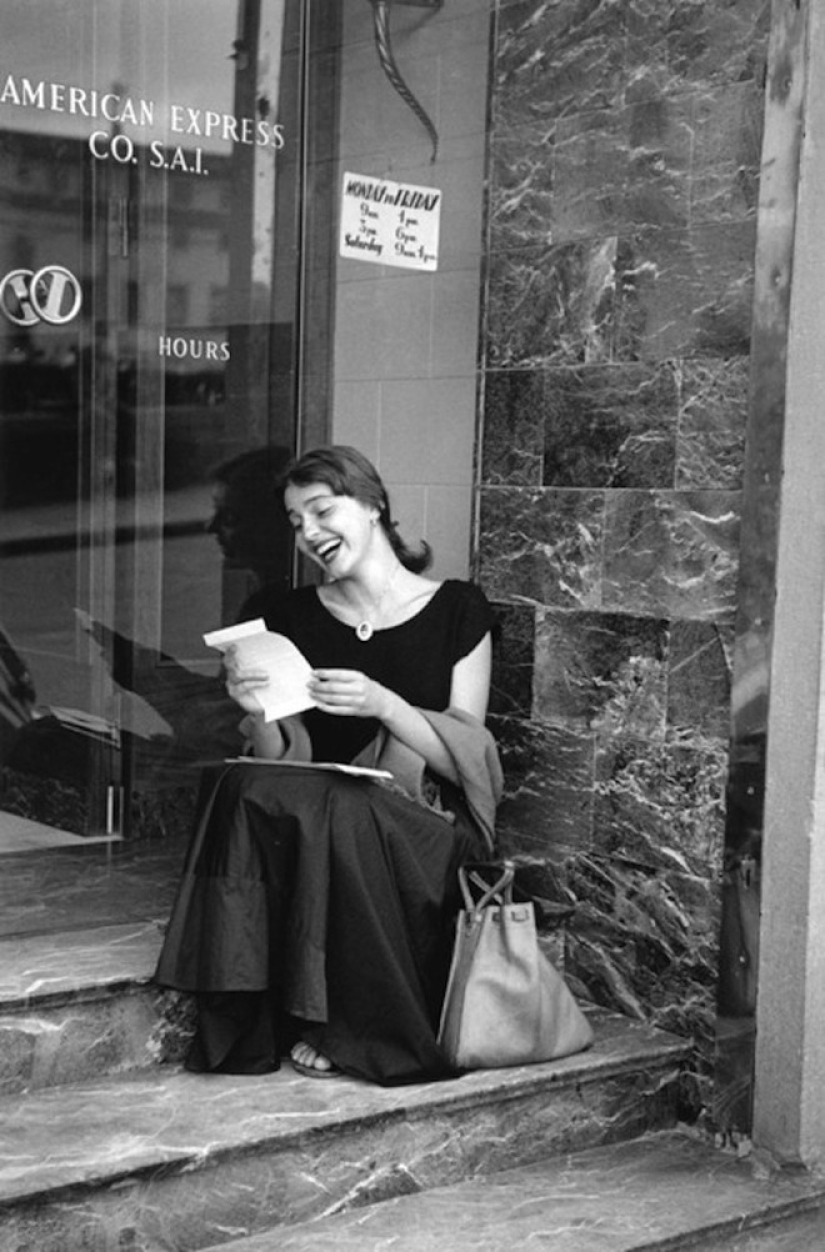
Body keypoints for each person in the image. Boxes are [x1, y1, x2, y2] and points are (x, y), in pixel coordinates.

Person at [154, 445, 502, 1086]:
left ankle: (354, 1024)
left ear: (373, 507)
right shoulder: (289, 615)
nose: (309, 534)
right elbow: (285, 761)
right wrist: (257, 707)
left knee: (343, 805)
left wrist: (385, 705)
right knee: (242, 783)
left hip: (420, 823)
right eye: (295, 522)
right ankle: (252, 1015)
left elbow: (467, 758)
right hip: (322, 817)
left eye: (321, 511)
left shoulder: (459, 609)